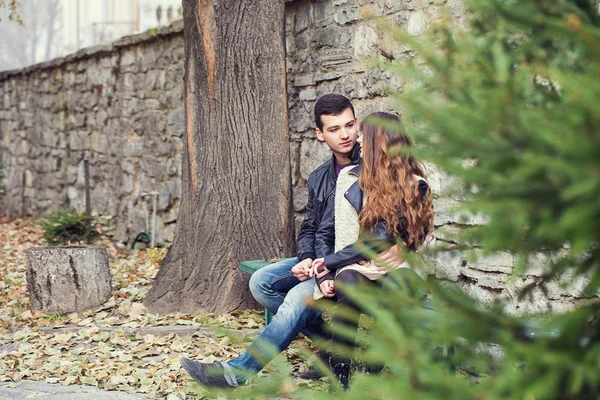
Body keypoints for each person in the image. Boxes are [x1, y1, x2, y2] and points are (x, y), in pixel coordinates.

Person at [180, 95, 404, 388]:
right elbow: (313, 228)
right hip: (327, 257)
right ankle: (332, 348)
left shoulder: (373, 163)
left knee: (297, 300)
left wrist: (398, 248)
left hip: (350, 263)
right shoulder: (321, 177)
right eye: (334, 129)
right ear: (320, 135)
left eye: (350, 125)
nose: (346, 134)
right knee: (262, 282)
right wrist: (308, 259)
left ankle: (237, 372)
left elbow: (396, 218)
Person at [310, 112, 434, 388]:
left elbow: (384, 239)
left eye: (363, 137)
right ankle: (339, 372)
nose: (358, 141)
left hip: (396, 264)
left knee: (398, 286)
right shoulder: (360, 180)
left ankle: (373, 368)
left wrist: (327, 262)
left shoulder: (415, 183)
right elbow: (332, 230)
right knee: (349, 281)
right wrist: (329, 266)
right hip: (362, 263)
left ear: (379, 141)